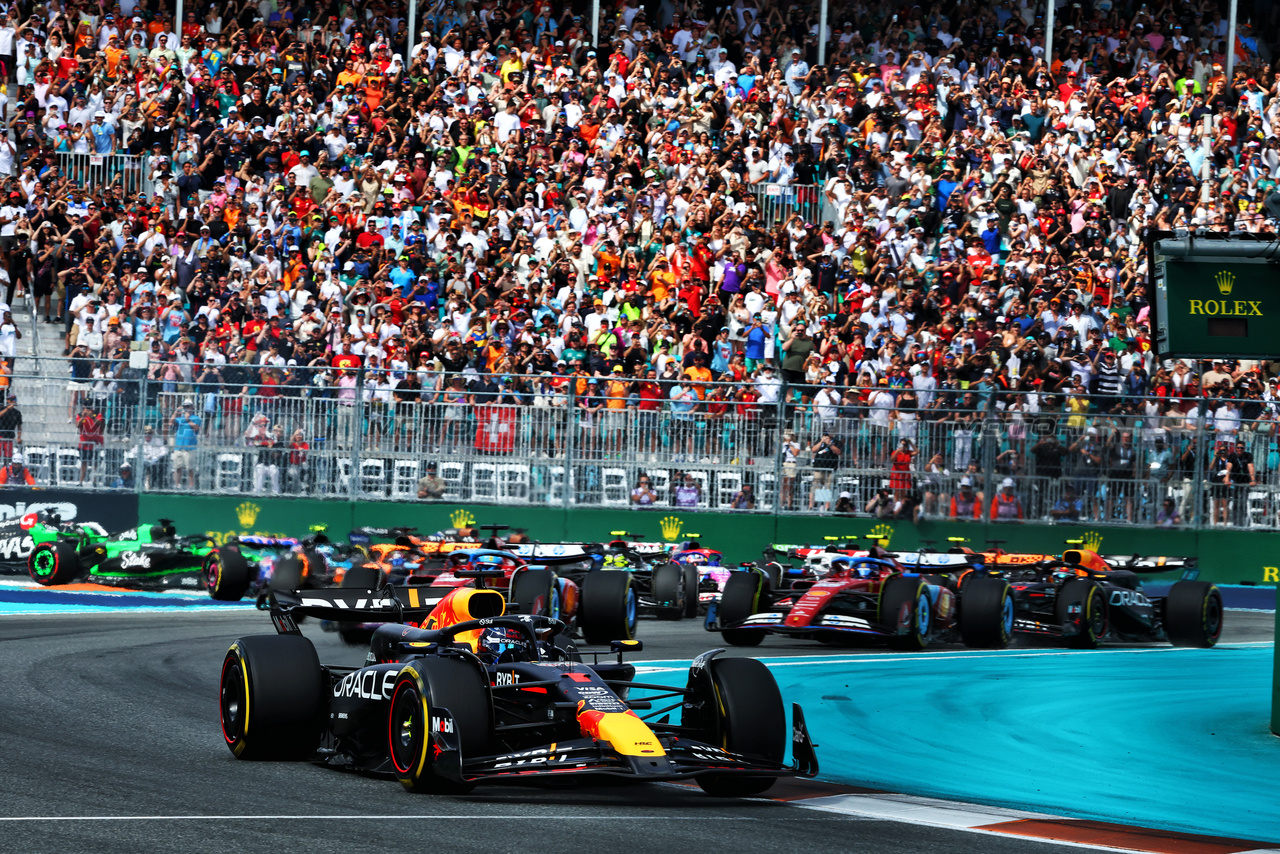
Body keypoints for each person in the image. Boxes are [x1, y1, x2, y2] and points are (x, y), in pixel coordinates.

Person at [171, 398, 202, 490]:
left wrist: (188, 420)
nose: (187, 408)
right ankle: (177, 485)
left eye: (188, 406)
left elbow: (196, 428)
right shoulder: (179, 419)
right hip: (179, 446)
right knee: (178, 467)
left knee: (190, 468)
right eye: (185, 406)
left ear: (192, 407)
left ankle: (191, 485)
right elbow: (170, 423)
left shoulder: (196, 418)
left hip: (190, 447)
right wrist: (175, 413)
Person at [808, 431, 841, 511]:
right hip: (818, 469)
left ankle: (827, 507)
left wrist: (830, 444)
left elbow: (838, 452)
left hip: (830, 469)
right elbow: (813, 450)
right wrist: (821, 442)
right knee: (814, 488)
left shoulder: (837, 442)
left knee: (828, 488)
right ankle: (811, 507)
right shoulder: (819, 440)